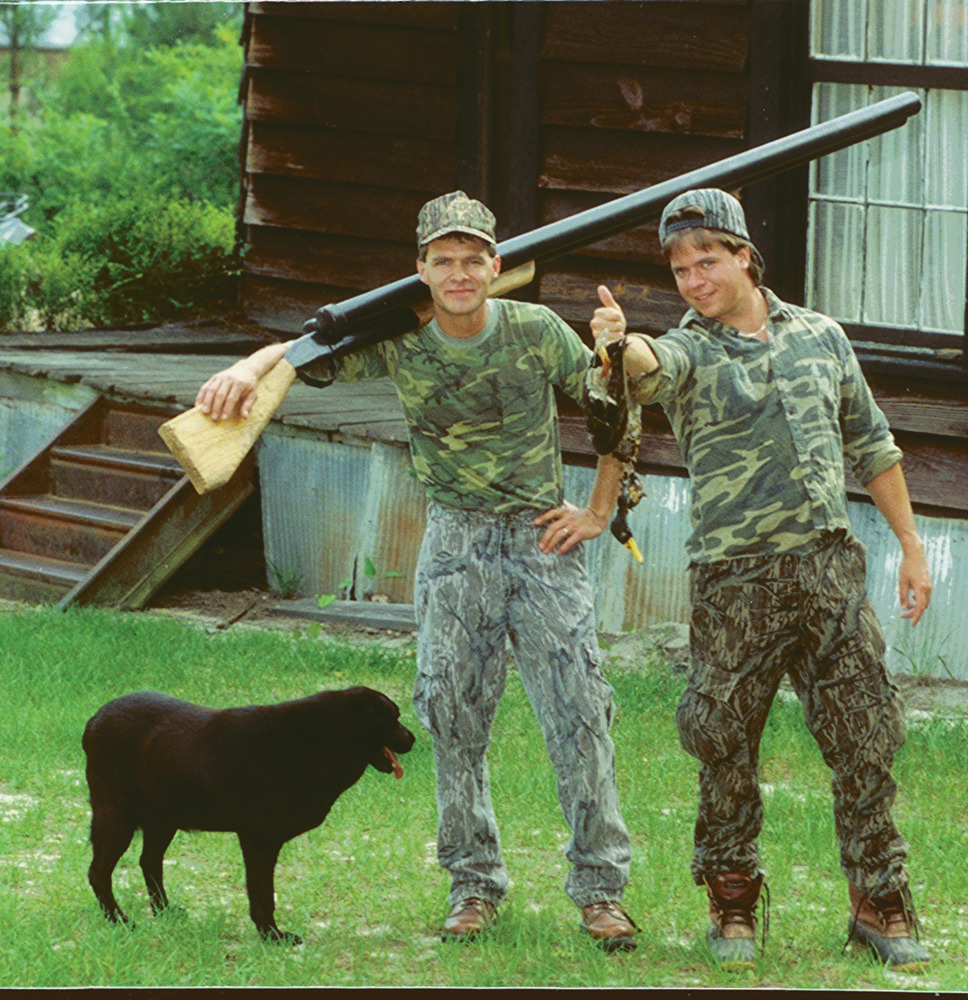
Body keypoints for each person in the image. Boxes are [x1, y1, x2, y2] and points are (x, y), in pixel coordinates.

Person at [195, 191, 639, 951]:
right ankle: (473, 885)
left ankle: (601, 892)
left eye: (474, 260)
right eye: (444, 260)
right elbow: (305, 353)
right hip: (454, 545)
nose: (460, 273)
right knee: (454, 719)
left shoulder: (535, 331)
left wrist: (598, 510)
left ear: (497, 267)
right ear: (421, 269)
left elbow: (617, 413)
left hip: (542, 543)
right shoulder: (400, 339)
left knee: (579, 718)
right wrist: (249, 363)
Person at [589, 188, 933, 972]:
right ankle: (733, 902)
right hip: (736, 582)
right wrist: (619, 345)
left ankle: (879, 903)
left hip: (828, 569)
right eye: (679, 268)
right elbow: (647, 369)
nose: (694, 280)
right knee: (724, 741)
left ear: (745, 255)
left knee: (867, 735)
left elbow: (873, 446)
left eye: (706, 260)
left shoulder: (821, 337)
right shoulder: (688, 349)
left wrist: (911, 546)